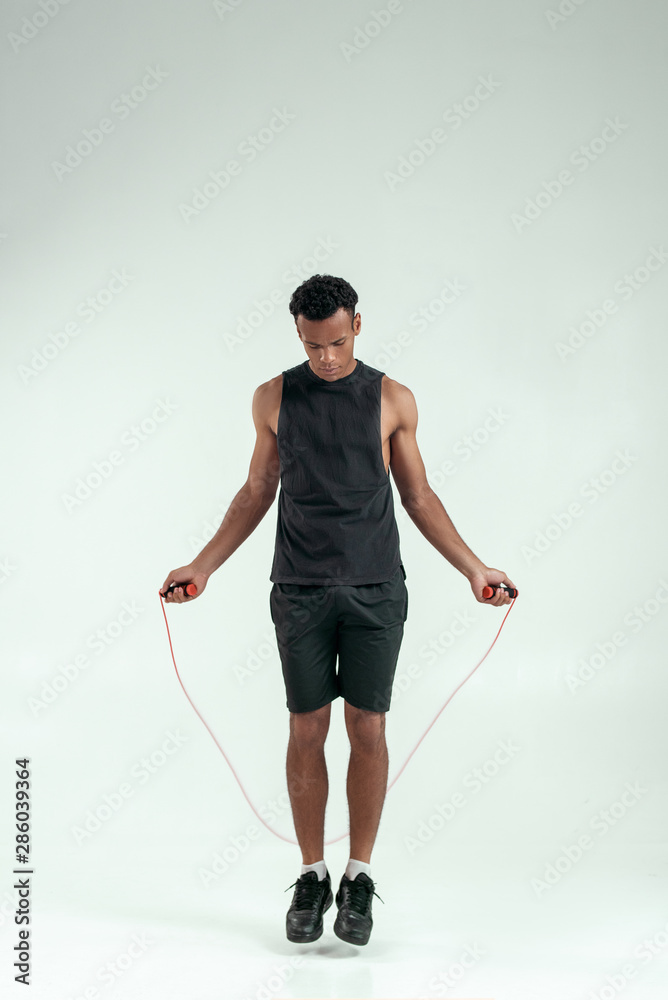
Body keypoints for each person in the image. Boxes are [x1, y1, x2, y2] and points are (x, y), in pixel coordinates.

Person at [161, 273, 517, 947]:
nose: (324, 357)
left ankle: (358, 877)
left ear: (358, 325)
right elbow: (256, 490)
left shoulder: (392, 399)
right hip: (298, 588)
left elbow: (419, 498)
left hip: (377, 588)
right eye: (310, 343)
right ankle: (311, 873)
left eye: (335, 341)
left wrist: (475, 569)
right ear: (298, 334)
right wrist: (202, 566)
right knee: (306, 729)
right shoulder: (273, 398)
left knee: (369, 728)